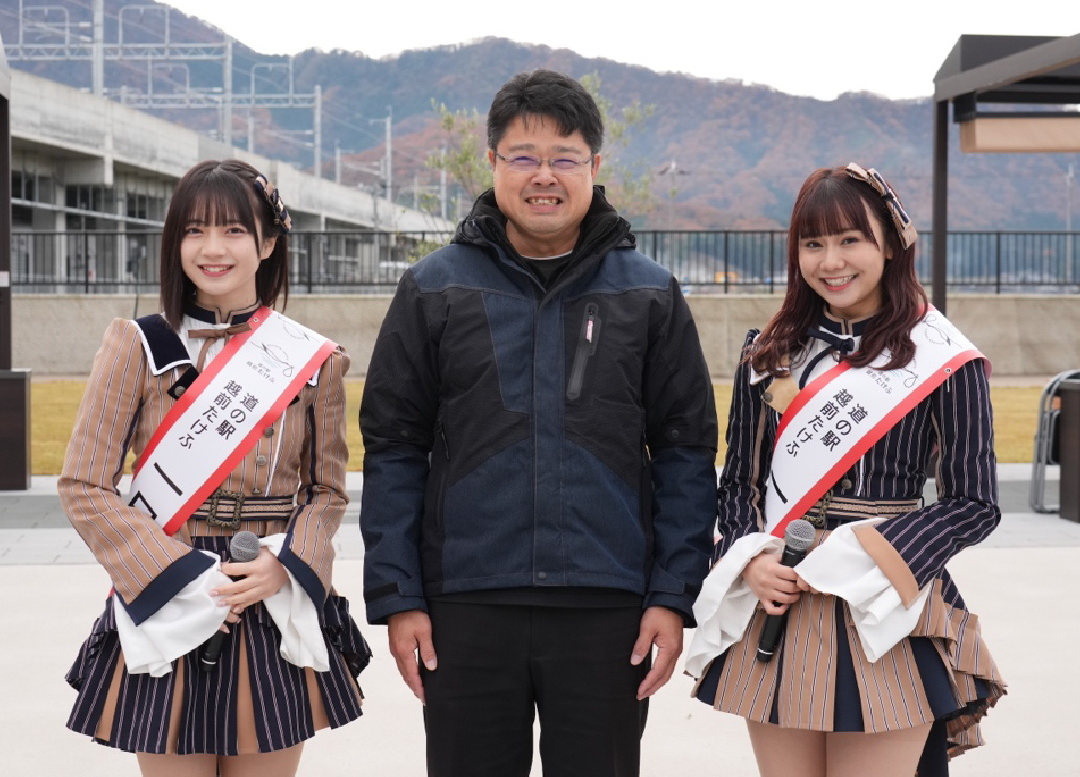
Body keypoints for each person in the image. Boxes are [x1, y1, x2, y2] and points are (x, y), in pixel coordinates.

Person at [359, 69, 717, 777]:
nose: (544, 176)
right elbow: (394, 447)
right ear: (492, 164)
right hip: (465, 606)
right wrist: (400, 598)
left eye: (565, 158)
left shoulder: (647, 292)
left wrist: (673, 597)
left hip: (607, 609)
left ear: (595, 167)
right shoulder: (435, 288)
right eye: (523, 156)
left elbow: (684, 451)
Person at [684, 164, 1006, 777]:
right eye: (813, 244)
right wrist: (751, 558)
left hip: (883, 604)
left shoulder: (943, 358)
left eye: (849, 240)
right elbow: (738, 485)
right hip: (781, 608)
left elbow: (976, 504)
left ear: (889, 244)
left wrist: (862, 549)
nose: (831, 261)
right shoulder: (770, 354)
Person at [60, 159, 370, 776]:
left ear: (269, 242)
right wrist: (180, 574)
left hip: (267, 593)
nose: (211, 248)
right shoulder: (137, 345)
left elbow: (327, 491)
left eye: (233, 230)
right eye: (194, 230)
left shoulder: (313, 360)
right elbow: (84, 484)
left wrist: (284, 565)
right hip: (170, 587)